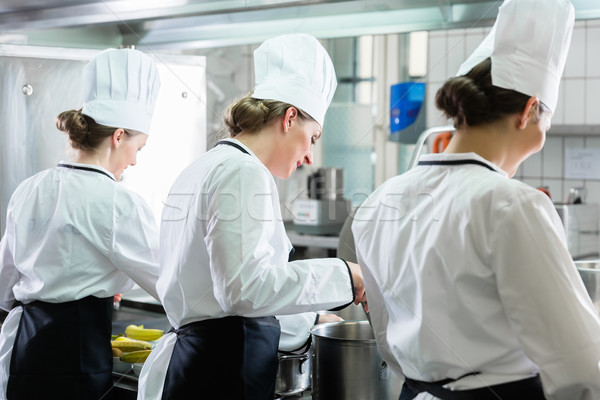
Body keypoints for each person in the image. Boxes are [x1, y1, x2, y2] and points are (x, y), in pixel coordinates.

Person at [353, 0, 600, 399]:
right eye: (547, 119)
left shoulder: (381, 200)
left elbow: (386, 333)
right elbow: (580, 365)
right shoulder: (513, 205)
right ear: (529, 111)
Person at [138, 33, 366, 400]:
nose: (310, 157)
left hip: (204, 366)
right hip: (219, 374)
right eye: (314, 137)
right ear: (290, 118)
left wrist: (310, 319)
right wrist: (347, 274)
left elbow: (229, 294)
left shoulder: (208, 165)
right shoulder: (243, 173)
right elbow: (242, 291)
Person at [0, 48, 162, 400]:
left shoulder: (29, 188)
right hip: (77, 352)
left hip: (24, 349)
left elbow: (5, 283)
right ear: (118, 137)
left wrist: (95, 279)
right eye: (139, 148)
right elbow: (167, 282)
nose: (134, 161)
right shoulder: (119, 200)